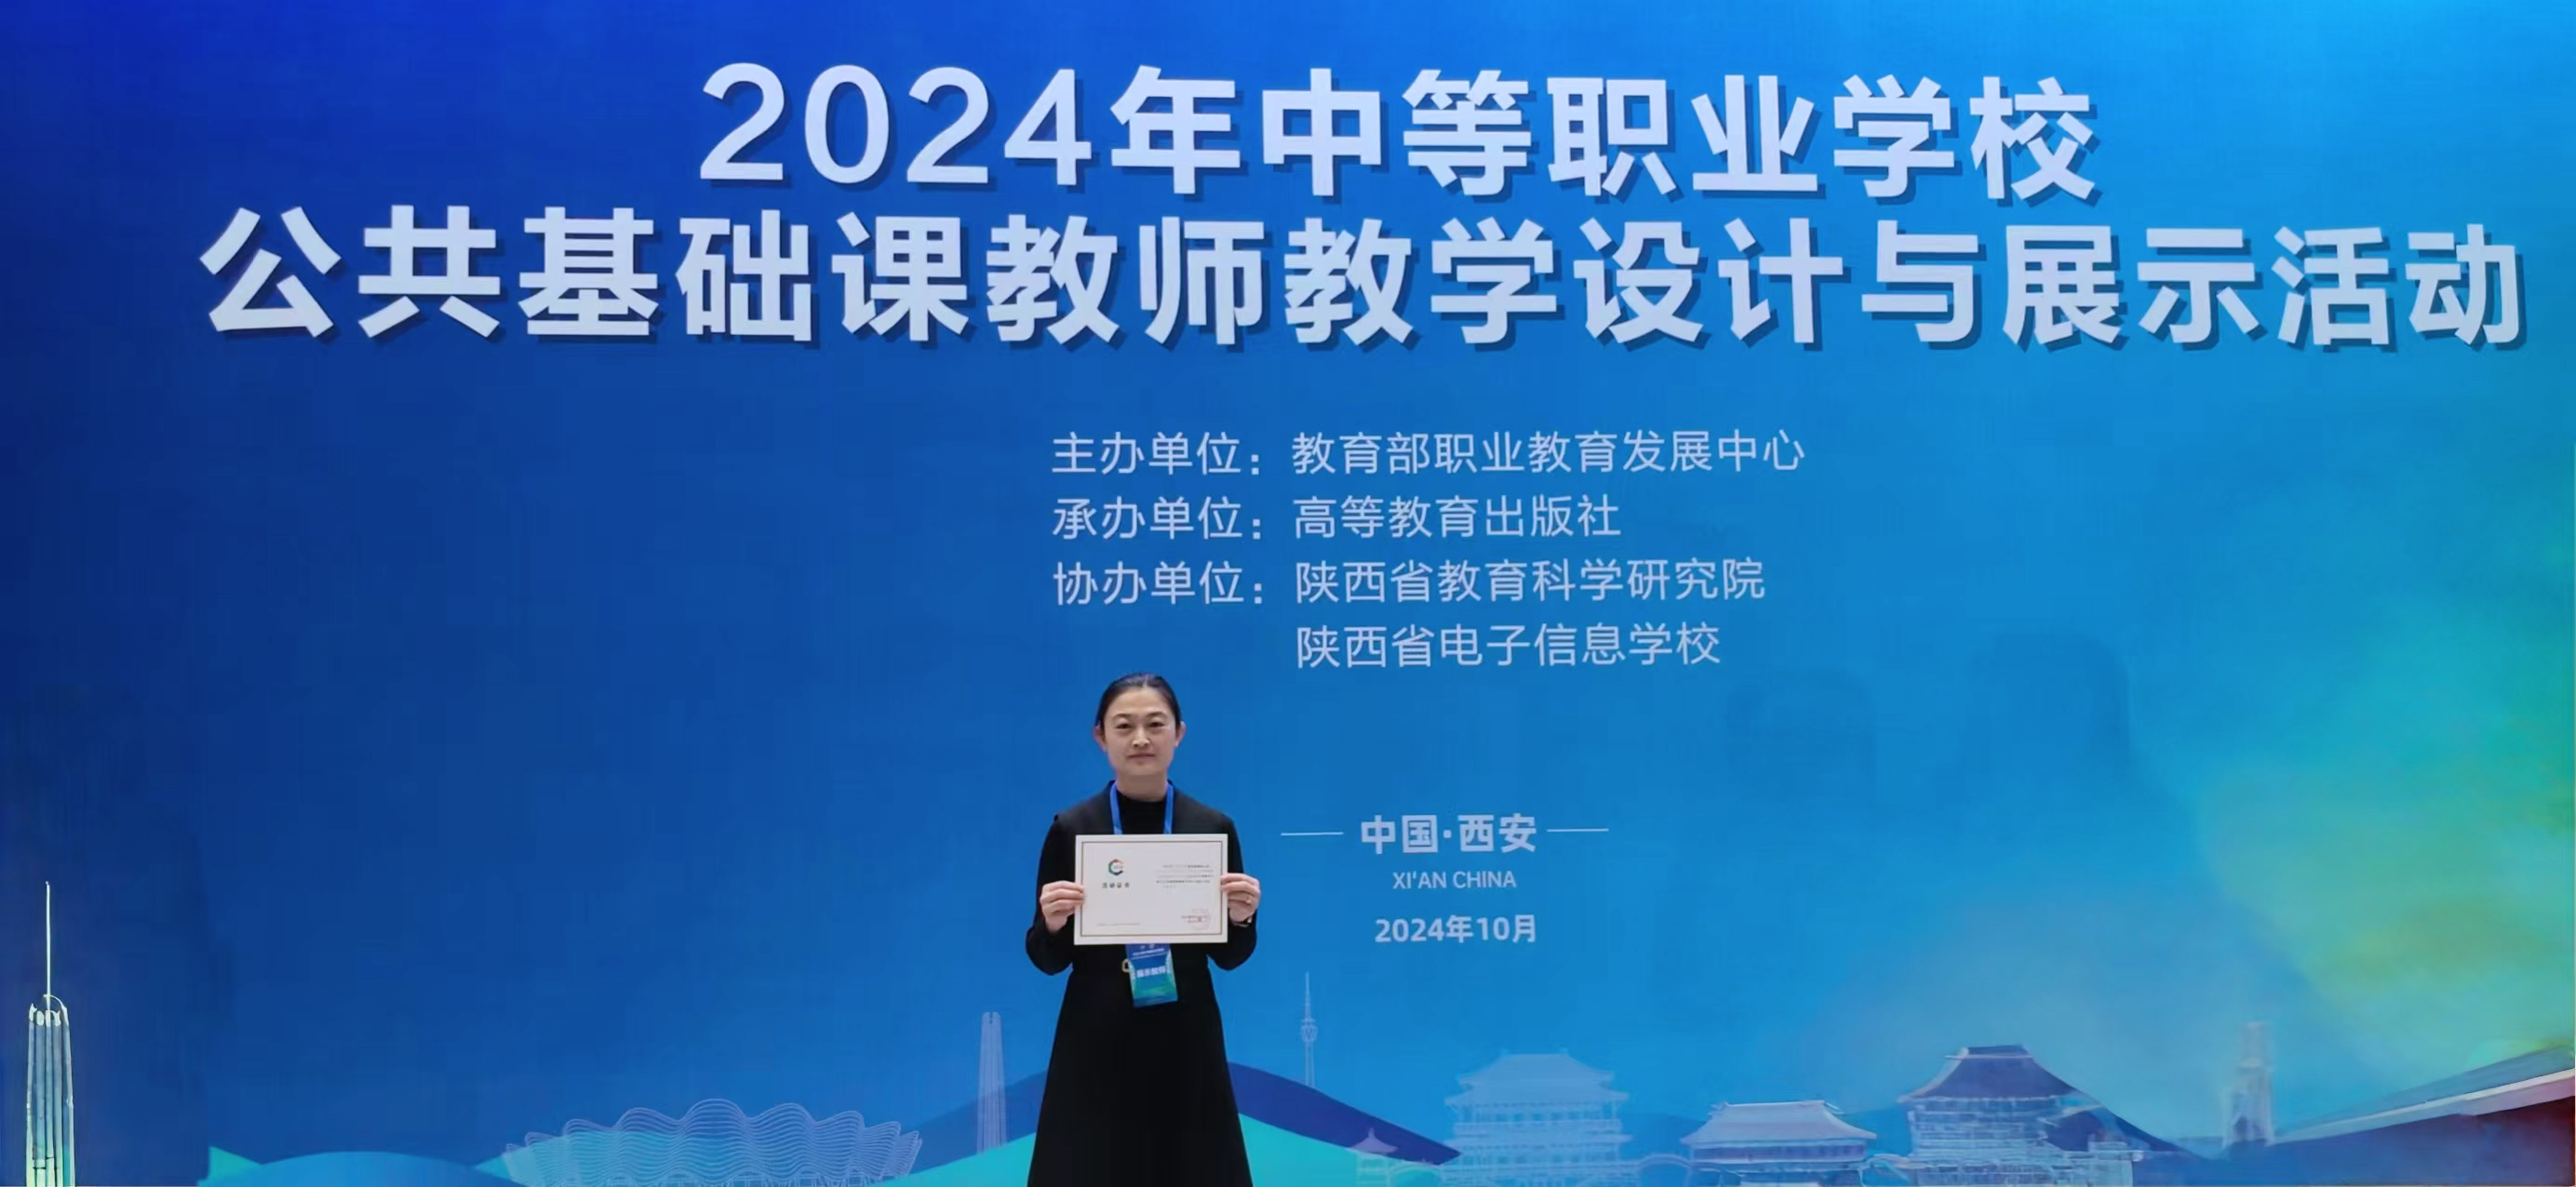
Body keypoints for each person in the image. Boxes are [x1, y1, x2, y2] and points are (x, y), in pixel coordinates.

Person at [1024, 673, 1263, 1187]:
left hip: (1185, 1030)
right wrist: (1053, 923)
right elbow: (1047, 958)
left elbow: (1231, 955)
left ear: (1179, 733)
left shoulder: (1211, 828)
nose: (1140, 739)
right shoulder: (1073, 827)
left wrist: (1241, 917)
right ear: (1100, 736)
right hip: (1096, 1030)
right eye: (1124, 726)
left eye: (1155, 724)